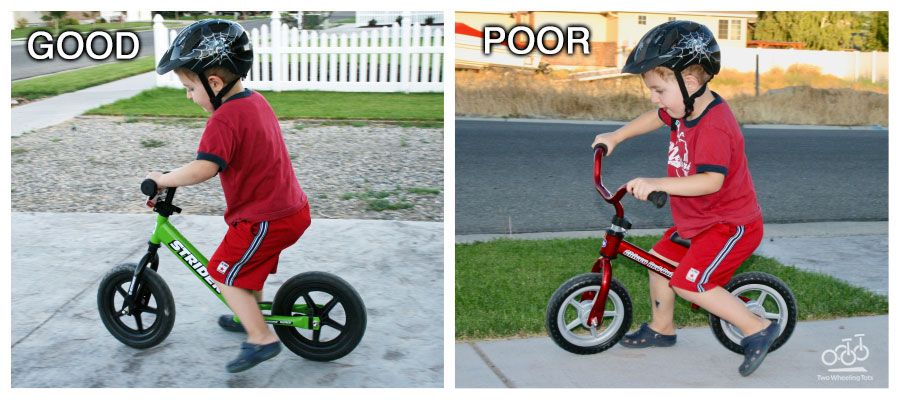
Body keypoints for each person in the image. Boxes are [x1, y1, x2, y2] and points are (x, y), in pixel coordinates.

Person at [591, 20, 778, 377]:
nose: (654, 98)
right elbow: (654, 118)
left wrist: (657, 182)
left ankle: (757, 328)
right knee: (659, 260)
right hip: (697, 222)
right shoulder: (684, 109)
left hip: (730, 225)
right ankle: (662, 328)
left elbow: (710, 181)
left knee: (688, 282)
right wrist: (617, 135)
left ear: (690, 83)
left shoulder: (715, 125)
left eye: (659, 90)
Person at [149, 19, 311, 373]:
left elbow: (204, 167)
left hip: (265, 218)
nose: (188, 96)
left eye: (190, 88)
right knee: (246, 271)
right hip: (288, 209)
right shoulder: (254, 102)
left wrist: (163, 179)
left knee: (222, 273)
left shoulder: (223, 120)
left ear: (215, 83)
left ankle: (261, 338)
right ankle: (247, 315)